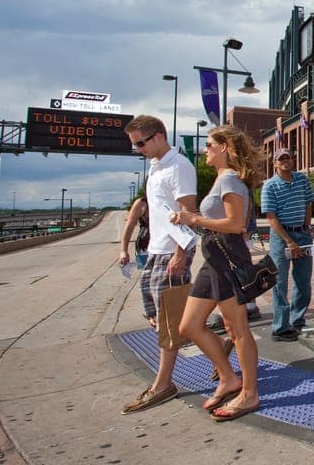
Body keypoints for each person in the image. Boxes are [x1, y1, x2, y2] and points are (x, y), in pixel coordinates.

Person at [172, 125, 265, 421]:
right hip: (212, 256)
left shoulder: (232, 181)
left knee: (237, 329)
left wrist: (194, 217)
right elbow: (217, 222)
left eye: (210, 145)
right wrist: (190, 221)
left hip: (227, 257)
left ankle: (249, 394)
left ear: (225, 147)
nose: (205, 150)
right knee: (188, 326)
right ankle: (228, 378)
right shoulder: (220, 180)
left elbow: (236, 225)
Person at [120, 115, 197, 415]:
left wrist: (180, 253)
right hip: (156, 249)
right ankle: (219, 345)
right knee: (160, 313)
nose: (138, 149)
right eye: (134, 145)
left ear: (158, 137)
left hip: (172, 251)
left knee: (169, 317)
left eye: (140, 143)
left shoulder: (179, 167)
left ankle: (163, 384)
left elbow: (187, 212)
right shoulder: (156, 168)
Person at [260, 148, 314, 342]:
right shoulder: (270, 186)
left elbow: (309, 202)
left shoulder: (301, 179)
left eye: (288, 158)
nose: (285, 161)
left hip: (302, 234)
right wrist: (289, 241)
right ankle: (280, 327)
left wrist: (307, 226)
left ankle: (297, 320)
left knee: (303, 280)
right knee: (280, 282)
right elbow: (271, 217)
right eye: (281, 159)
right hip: (280, 236)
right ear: (275, 163)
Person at [118, 195, 154, 328]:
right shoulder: (141, 203)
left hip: (165, 245)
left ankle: (161, 311)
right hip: (145, 246)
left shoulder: (168, 197)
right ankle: (151, 312)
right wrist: (123, 250)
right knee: (147, 279)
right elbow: (129, 226)